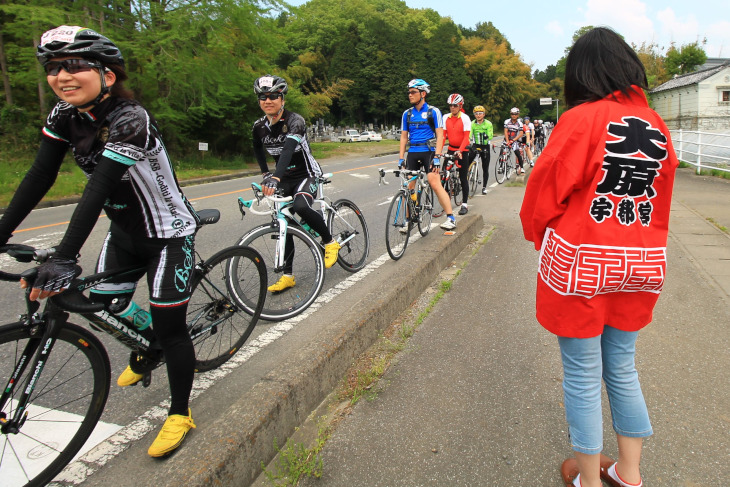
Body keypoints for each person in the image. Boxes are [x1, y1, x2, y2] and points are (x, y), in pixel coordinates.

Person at [0, 25, 202, 457]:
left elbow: (99, 187)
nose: (62, 76)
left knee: (172, 330)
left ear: (108, 75)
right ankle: (146, 346)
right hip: (125, 230)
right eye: (54, 68)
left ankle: (180, 411)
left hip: (167, 235)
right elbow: (40, 176)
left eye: (75, 65)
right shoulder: (64, 115)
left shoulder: (130, 117)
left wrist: (66, 256)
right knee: (108, 304)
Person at [519, 26, 678, 487]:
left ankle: (588, 479)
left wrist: (536, 232)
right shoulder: (656, 125)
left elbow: (545, 191)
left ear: (581, 75)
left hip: (584, 265)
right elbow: (660, 202)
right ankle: (629, 472)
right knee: (623, 366)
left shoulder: (582, 119)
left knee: (583, 373)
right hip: (641, 262)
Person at [252, 74, 341, 292]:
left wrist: (274, 177)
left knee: (301, 207)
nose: (268, 100)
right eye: (263, 97)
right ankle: (288, 275)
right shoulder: (258, 126)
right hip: (284, 178)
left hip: (306, 174)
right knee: (285, 223)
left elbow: (288, 150)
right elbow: (257, 150)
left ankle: (330, 241)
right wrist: (265, 173)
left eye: (274, 96)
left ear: (282, 99)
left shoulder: (295, 121)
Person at [398, 79, 456, 230]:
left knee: (434, 182)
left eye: (413, 92)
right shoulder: (407, 114)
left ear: (423, 94)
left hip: (429, 152)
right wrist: (400, 157)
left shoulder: (433, 111)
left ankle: (450, 217)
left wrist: (437, 156)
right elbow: (404, 137)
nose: (410, 95)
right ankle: (408, 219)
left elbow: (440, 135)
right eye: (409, 92)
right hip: (413, 152)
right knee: (408, 186)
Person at [442, 93, 472, 215]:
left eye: (455, 105)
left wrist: (460, 150)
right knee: (443, 173)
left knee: (463, 177)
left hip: (462, 150)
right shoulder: (445, 117)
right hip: (451, 148)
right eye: (450, 105)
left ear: (460, 106)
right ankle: (447, 195)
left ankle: (464, 204)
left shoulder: (465, 118)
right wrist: (438, 152)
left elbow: (466, 137)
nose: (452, 108)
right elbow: (443, 136)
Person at [469, 105, 493, 194]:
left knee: (485, 167)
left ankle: (484, 187)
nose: (478, 115)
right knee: (467, 161)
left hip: (485, 146)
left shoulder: (488, 123)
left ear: (484, 114)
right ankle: (468, 175)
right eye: (476, 114)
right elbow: (469, 134)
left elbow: (490, 135)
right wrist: (468, 141)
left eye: (480, 113)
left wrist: (487, 136)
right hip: (476, 145)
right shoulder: (472, 123)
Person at [503, 107, 526, 174]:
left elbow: (521, 134)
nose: (514, 115)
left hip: (514, 140)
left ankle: (521, 167)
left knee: (517, 153)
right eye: (512, 114)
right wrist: (507, 141)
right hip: (507, 139)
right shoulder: (507, 121)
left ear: (518, 115)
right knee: (502, 149)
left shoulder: (520, 123)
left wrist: (512, 140)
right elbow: (505, 132)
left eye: (515, 114)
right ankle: (501, 164)